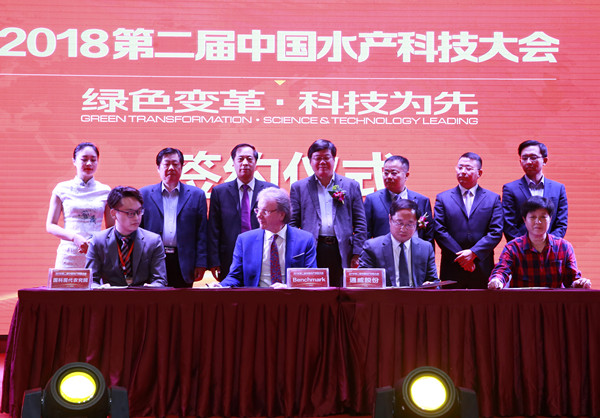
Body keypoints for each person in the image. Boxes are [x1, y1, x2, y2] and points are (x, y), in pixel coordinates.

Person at [290, 139, 367, 287]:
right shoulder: (299, 187)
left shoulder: (350, 185)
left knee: (341, 289)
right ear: (310, 161)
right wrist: (298, 250)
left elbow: (360, 223)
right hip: (312, 248)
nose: (322, 162)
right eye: (317, 158)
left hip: (342, 248)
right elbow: (293, 223)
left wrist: (357, 252)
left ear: (334, 160)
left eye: (326, 157)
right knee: (314, 289)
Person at [213, 187, 317, 287]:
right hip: (257, 296)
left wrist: (288, 286)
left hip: (290, 296)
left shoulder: (304, 240)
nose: (258, 215)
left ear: (282, 214)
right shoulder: (245, 240)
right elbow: (235, 276)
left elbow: (311, 278)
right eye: (258, 210)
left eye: (265, 211)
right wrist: (219, 286)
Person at [434, 152, 503, 289]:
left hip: (481, 264)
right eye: (460, 167)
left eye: (468, 168)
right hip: (452, 265)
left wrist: (473, 253)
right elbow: (439, 230)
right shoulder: (443, 198)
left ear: (479, 173)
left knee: (482, 302)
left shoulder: (493, 198)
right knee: (451, 302)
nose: (463, 171)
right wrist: (462, 258)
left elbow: (496, 231)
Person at [207, 143, 277, 279]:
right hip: (229, 257)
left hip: (263, 256)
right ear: (233, 163)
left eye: (249, 159)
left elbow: (276, 225)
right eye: (240, 159)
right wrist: (214, 261)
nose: (245, 163)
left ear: (256, 163)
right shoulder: (219, 192)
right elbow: (214, 229)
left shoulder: (270, 191)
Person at [140, 148, 207, 288]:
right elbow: (139, 230)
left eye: (175, 164)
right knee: (154, 300)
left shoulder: (197, 195)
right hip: (153, 259)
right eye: (166, 164)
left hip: (184, 261)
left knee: (182, 300)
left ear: (182, 167)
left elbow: (202, 233)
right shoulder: (144, 194)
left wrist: (201, 263)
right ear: (158, 168)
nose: (171, 168)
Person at [488, 197, 590, 289]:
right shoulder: (512, 247)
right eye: (533, 217)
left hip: (555, 301)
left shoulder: (564, 246)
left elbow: (572, 278)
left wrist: (579, 283)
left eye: (543, 217)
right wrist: (496, 281)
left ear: (550, 219)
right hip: (522, 301)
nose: (538, 221)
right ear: (524, 220)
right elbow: (502, 270)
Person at [46, 142, 114, 268]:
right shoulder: (61, 188)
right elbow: (50, 225)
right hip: (68, 254)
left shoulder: (105, 191)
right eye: (84, 159)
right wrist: (74, 237)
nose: (89, 163)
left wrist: (96, 240)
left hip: (95, 252)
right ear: (74, 161)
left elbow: (111, 227)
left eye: (93, 160)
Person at [86, 186, 167, 288]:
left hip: (143, 296)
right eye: (130, 213)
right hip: (110, 296)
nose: (136, 218)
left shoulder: (153, 241)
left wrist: (152, 287)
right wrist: (100, 289)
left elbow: (160, 280)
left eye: (139, 212)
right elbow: (91, 281)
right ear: (113, 213)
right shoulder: (98, 241)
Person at [359, 199, 437, 287]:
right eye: (399, 223)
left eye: (409, 224)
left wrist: (431, 285)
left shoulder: (426, 248)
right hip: (384, 295)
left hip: (416, 295)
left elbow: (434, 281)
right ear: (390, 219)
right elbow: (362, 283)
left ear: (417, 223)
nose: (403, 229)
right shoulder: (372, 247)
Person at [502, 140, 568, 243]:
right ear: (520, 161)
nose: (528, 162)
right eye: (524, 158)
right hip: (520, 249)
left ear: (544, 160)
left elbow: (561, 223)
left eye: (533, 157)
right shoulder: (510, 189)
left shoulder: (558, 188)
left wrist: (549, 244)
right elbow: (508, 224)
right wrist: (522, 246)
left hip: (551, 249)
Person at [364, 155, 433, 244]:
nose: (388, 177)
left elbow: (429, 236)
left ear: (406, 175)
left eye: (394, 173)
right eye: (386, 173)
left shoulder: (422, 201)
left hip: (415, 252)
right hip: (383, 251)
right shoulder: (372, 200)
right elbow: (365, 233)